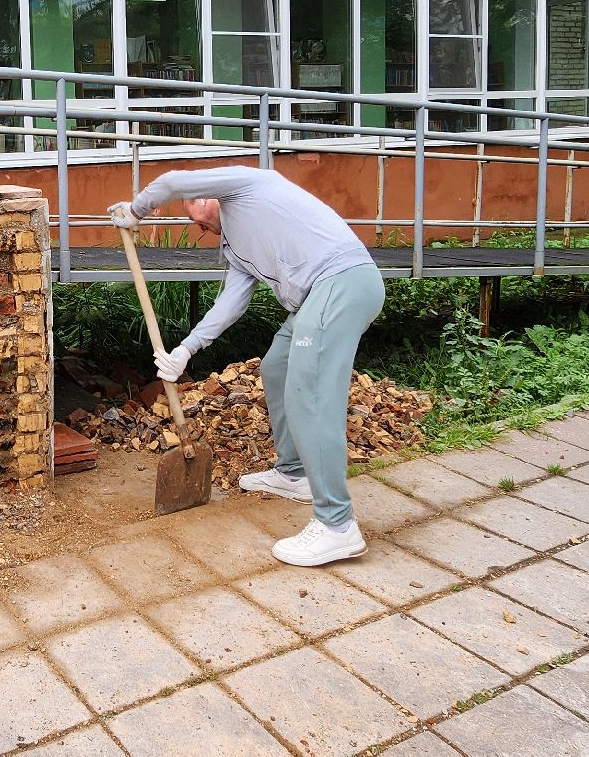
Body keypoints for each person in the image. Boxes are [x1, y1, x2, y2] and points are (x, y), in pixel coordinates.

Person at [109, 165, 384, 566]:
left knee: (308, 396)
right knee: (277, 367)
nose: (202, 230)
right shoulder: (235, 248)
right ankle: (293, 474)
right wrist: (185, 350)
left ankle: (337, 525)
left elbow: (170, 182)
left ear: (203, 197)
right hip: (316, 299)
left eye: (195, 220)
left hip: (342, 281)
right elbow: (229, 305)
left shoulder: (250, 185)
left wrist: (136, 211)